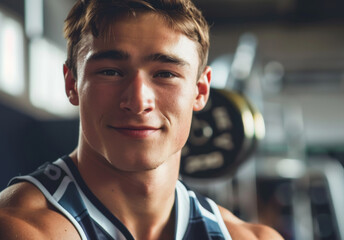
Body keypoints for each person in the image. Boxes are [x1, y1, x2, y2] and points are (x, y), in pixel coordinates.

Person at [0, 0, 283, 239]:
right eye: (110, 72)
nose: (137, 102)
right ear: (71, 83)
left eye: (165, 74)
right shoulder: (21, 227)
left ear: (200, 91)